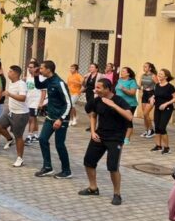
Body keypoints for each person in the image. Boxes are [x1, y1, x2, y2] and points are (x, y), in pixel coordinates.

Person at [80, 77, 132, 205]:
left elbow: (129, 117)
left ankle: (117, 194)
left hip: (115, 138)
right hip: (99, 135)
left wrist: (113, 105)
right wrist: (93, 131)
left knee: (112, 166)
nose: (95, 90)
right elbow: (92, 115)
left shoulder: (119, 100)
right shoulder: (96, 100)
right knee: (88, 161)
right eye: (96, 87)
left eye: (98, 88)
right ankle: (93, 188)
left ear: (108, 89)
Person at [35, 60, 73, 179]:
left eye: (41, 68)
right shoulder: (49, 81)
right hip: (50, 117)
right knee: (42, 139)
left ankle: (66, 171)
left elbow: (68, 103)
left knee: (59, 145)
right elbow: (39, 86)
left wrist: (61, 119)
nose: (40, 70)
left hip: (61, 119)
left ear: (48, 70)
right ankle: (47, 167)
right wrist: (36, 76)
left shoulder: (59, 83)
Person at [0, 65, 29, 167]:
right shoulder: (11, 82)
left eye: (10, 72)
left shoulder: (21, 84)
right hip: (10, 110)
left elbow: (23, 98)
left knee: (18, 136)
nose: (8, 73)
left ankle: (19, 158)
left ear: (16, 74)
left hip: (20, 114)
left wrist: (9, 94)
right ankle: (9, 139)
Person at [150, 69, 175, 154]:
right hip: (157, 108)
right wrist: (152, 98)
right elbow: (155, 95)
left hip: (167, 109)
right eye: (159, 73)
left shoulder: (170, 87)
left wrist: (166, 104)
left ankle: (167, 148)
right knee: (157, 127)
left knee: (162, 128)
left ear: (166, 76)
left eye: (161, 74)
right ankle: (158, 146)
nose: (159, 75)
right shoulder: (157, 85)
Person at [114, 66, 138, 144]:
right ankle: (119, 135)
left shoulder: (132, 81)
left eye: (124, 71)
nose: (122, 72)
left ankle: (127, 138)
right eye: (122, 71)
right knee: (119, 120)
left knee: (128, 120)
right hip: (119, 103)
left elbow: (132, 93)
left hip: (130, 104)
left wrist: (124, 89)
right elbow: (116, 91)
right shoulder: (119, 80)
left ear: (128, 73)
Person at [24, 60, 43, 143]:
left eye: (31, 67)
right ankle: (36, 135)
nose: (29, 69)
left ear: (36, 68)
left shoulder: (41, 78)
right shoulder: (28, 77)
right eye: (29, 67)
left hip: (35, 102)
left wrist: (41, 102)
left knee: (31, 119)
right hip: (28, 101)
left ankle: (29, 136)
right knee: (34, 119)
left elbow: (43, 91)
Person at [139, 62, 158, 138]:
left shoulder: (153, 76)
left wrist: (154, 96)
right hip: (145, 94)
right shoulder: (142, 75)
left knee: (146, 113)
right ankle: (147, 130)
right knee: (144, 114)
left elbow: (158, 86)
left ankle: (151, 130)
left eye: (146, 67)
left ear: (150, 68)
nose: (144, 68)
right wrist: (140, 91)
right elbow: (140, 85)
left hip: (151, 95)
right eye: (143, 67)